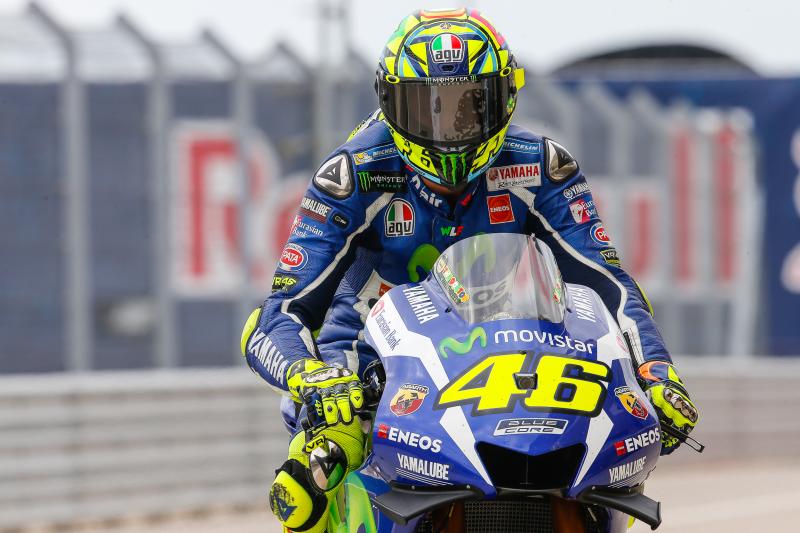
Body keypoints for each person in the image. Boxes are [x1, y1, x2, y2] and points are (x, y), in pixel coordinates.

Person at [240, 8, 699, 532]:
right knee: (311, 474)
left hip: (493, 350)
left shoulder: (543, 165)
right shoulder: (353, 174)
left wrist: (657, 371)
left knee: (612, 447)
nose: (449, 128)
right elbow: (278, 315)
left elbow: (608, 285)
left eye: (470, 104)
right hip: (369, 360)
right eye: (427, 107)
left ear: (505, 97)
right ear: (389, 102)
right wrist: (312, 375)